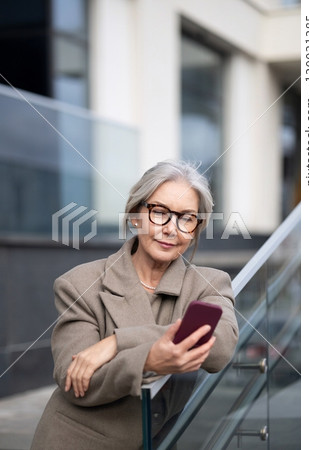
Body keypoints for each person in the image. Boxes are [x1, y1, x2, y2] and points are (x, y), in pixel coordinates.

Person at [31, 160, 238, 450]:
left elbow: (220, 347)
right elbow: (74, 378)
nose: (171, 229)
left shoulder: (209, 283)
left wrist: (117, 344)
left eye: (186, 218)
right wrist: (148, 360)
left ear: (196, 228)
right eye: (160, 212)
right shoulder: (80, 284)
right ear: (135, 215)